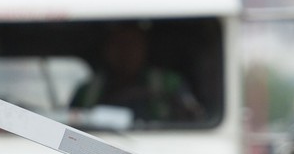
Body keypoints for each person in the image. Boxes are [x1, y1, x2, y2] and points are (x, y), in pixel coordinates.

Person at [71, 22, 205, 124]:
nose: (125, 52)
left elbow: (195, 118)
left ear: (144, 48)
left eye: (132, 44)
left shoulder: (169, 83)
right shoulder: (87, 92)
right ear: (107, 50)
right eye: (118, 44)